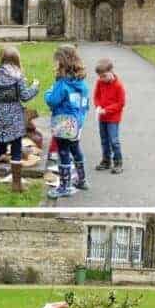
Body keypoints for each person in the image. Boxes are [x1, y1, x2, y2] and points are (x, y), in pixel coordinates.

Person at [0, 46, 39, 193]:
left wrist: (0, 101)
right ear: (16, 59)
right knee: (16, 147)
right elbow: (25, 96)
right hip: (14, 115)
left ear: (1, 58)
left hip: (0, 114)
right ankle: (16, 184)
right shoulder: (18, 76)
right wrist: (35, 86)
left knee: (0, 146)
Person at [45, 45, 91, 199]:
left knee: (63, 153)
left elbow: (52, 101)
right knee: (76, 149)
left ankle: (65, 186)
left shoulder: (62, 84)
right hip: (77, 123)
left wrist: (48, 92)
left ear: (62, 63)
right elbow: (86, 105)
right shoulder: (82, 85)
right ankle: (82, 179)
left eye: (57, 61)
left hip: (62, 122)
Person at [93, 58, 127, 174]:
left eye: (104, 76)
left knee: (114, 140)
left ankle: (118, 162)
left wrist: (106, 110)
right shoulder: (99, 82)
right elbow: (96, 96)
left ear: (111, 71)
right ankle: (106, 160)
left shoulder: (118, 86)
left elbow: (121, 103)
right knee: (104, 140)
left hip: (113, 118)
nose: (102, 79)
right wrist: (97, 106)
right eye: (100, 77)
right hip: (102, 117)